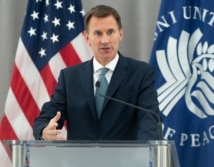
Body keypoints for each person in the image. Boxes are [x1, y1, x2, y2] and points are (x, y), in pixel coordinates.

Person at [33, 5, 160, 140]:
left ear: (120, 34)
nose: (105, 40)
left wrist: (145, 151)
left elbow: (149, 119)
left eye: (110, 32)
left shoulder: (141, 73)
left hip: (126, 159)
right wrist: (44, 130)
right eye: (98, 33)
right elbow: (47, 116)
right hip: (81, 160)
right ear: (87, 38)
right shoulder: (70, 77)